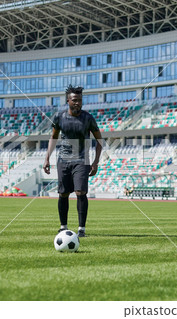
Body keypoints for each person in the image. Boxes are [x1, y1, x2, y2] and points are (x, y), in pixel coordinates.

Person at [43, 85, 103, 237]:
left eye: (80, 100)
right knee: (63, 194)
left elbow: (99, 140)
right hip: (63, 159)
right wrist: (47, 158)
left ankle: (81, 229)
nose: (78, 103)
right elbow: (53, 137)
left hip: (82, 160)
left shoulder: (88, 118)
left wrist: (96, 162)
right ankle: (63, 227)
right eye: (75, 100)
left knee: (80, 192)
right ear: (68, 101)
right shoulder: (59, 117)